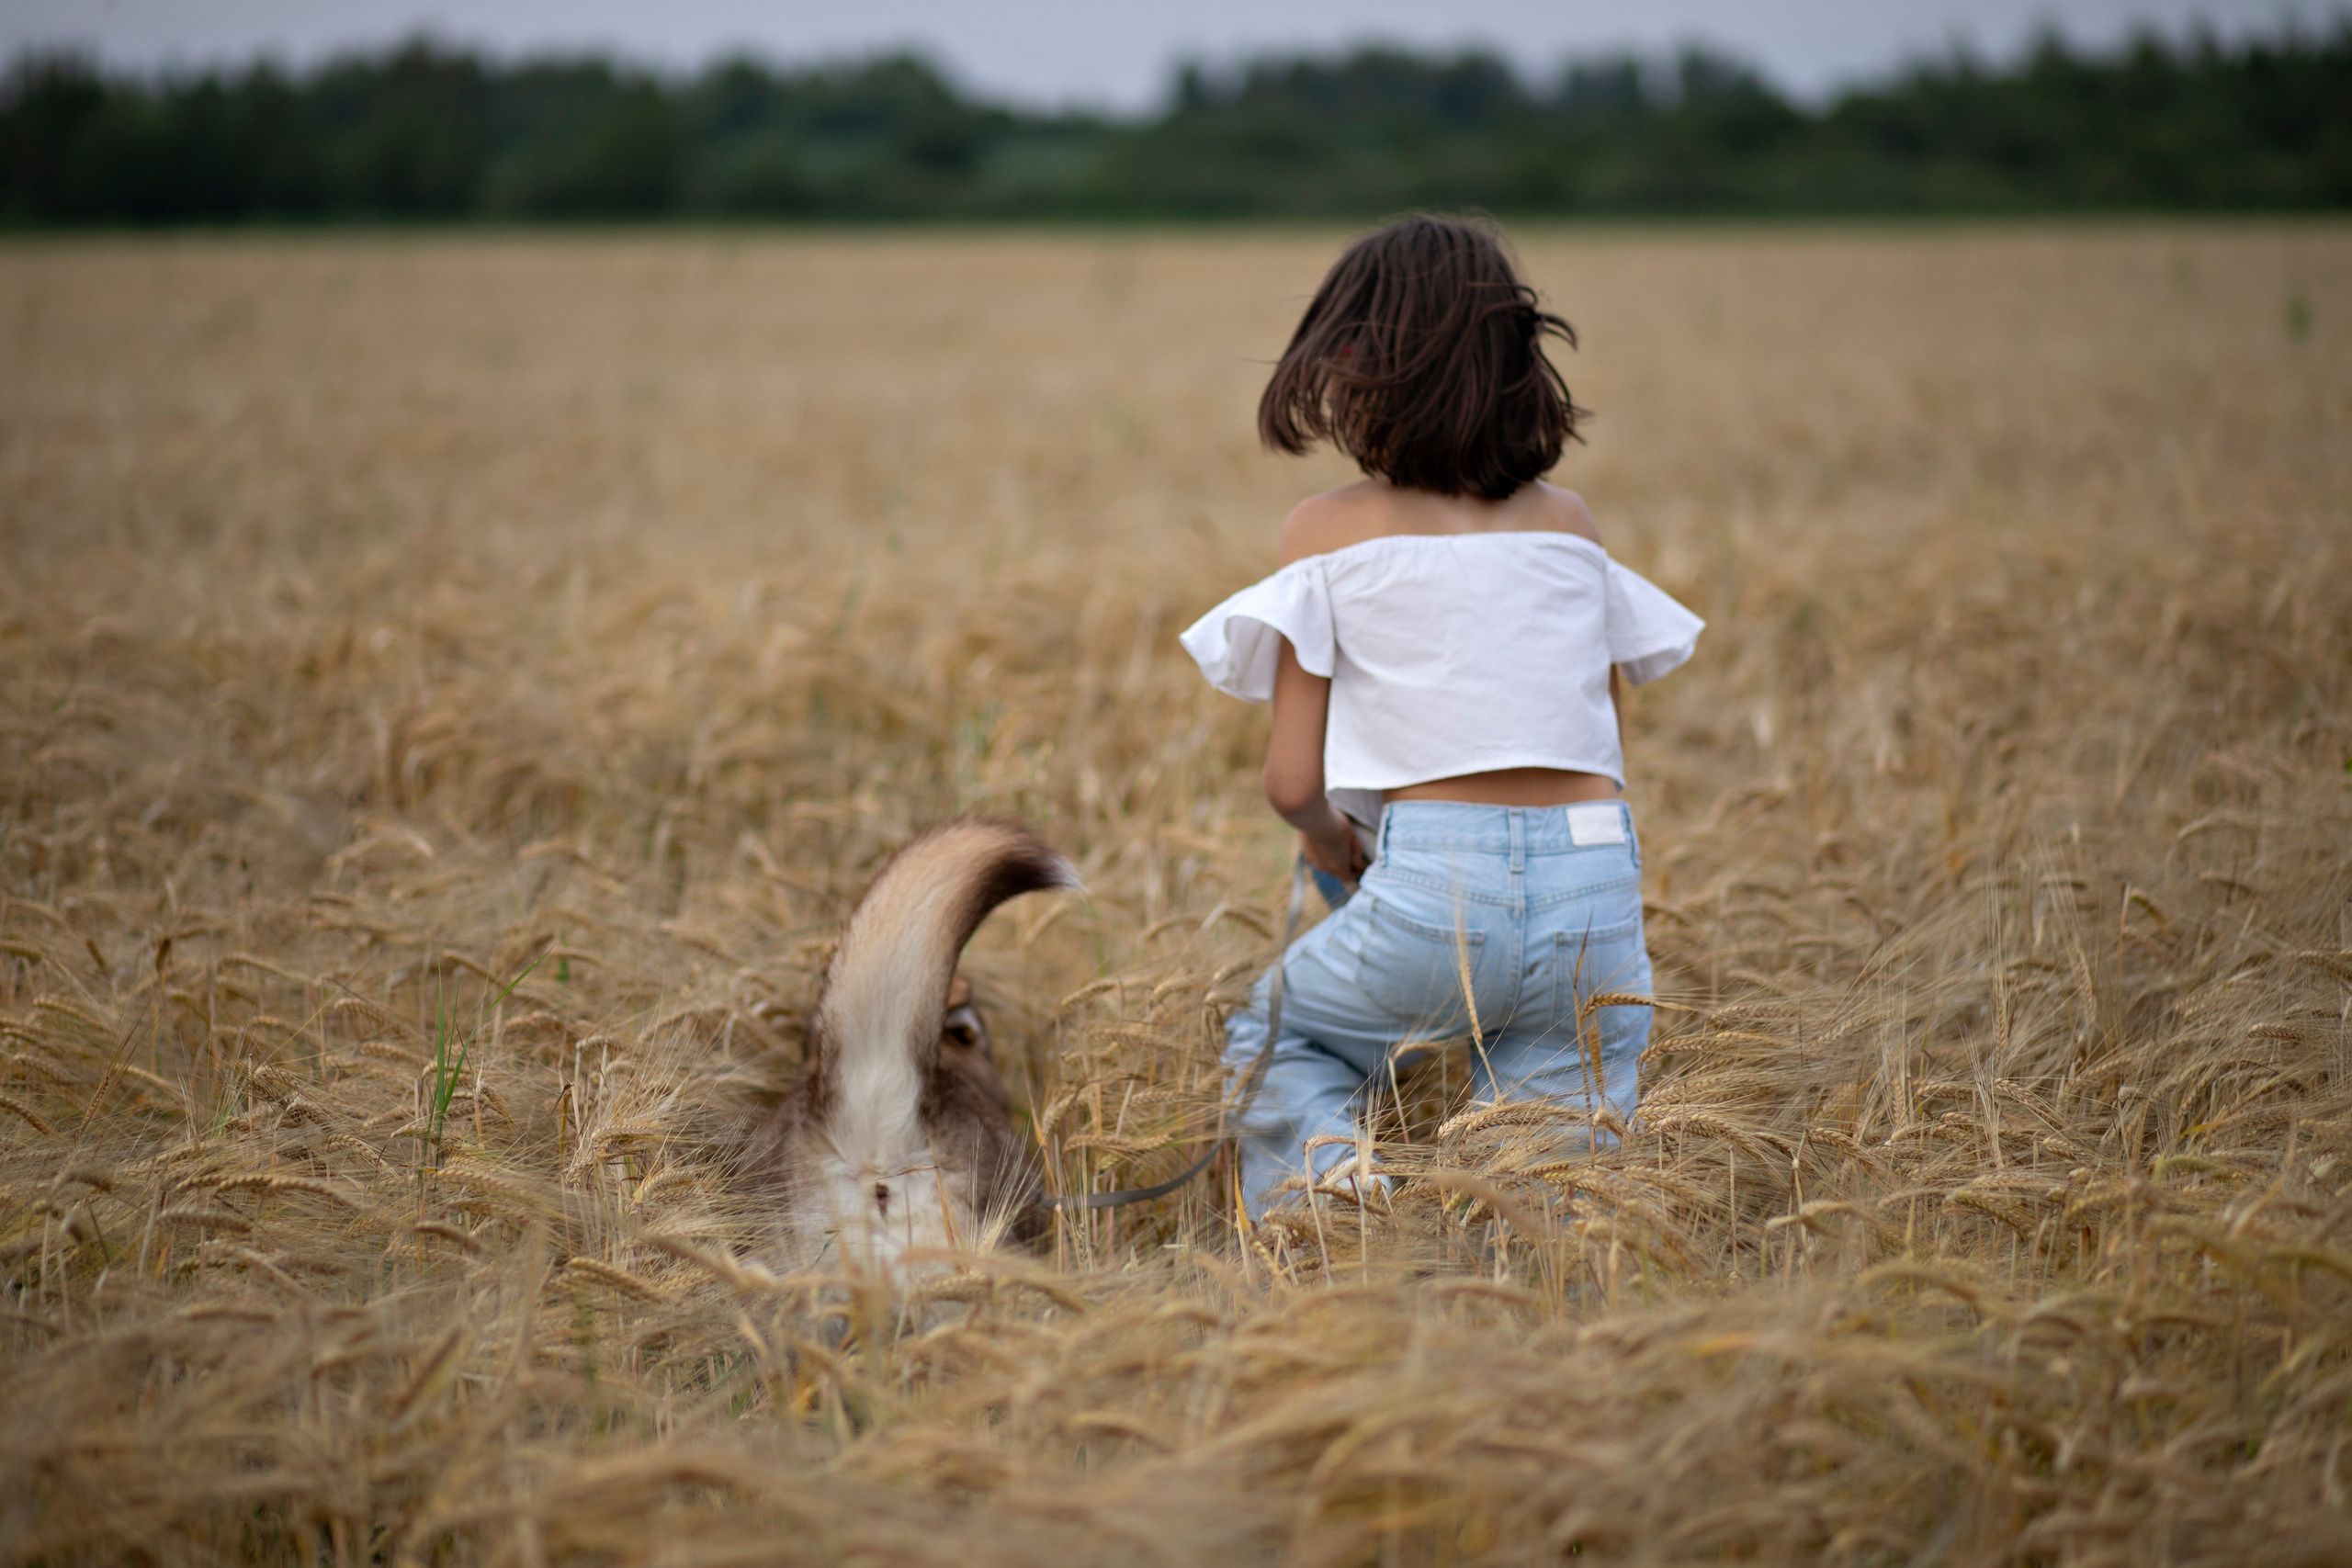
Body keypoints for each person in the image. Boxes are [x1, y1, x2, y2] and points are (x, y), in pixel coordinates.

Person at [1177, 215, 1705, 1219]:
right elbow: (1600, 741)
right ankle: (1546, 1279)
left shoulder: (1325, 531)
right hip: (1595, 885)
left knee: (1281, 1034)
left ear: (1356, 370)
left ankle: (1331, 1209)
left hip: (1435, 889)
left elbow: (1291, 784)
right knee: (1555, 1177)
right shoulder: (1569, 525)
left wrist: (1330, 843)